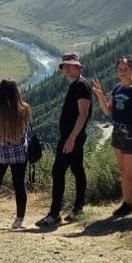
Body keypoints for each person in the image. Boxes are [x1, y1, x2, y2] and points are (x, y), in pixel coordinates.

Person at [91, 56, 132, 218]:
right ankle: (127, 204)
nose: (122, 72)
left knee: (131, 175)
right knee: (123, 171)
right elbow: (108, 110)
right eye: (119, 69)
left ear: (131, 70)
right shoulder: (117, 88)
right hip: (118, 134)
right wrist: (99, 95)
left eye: (125, 69)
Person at [37, 52, 93, 227]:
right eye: (64, 66)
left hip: (71, 137)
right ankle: (77, 209)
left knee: (58, 172)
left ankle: (54, 214)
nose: (66, 68)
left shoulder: (81, 86)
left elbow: (83, 114)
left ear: (78, 66)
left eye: (70, 65)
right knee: (77, 170)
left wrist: (71, 138)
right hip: (72, 136)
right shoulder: (77, 85)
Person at [0, 79, 30, 231]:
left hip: (0, 153)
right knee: (19, 185)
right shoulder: (24, 109)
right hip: (19, 153)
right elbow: (24, 130)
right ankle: (19, 220)